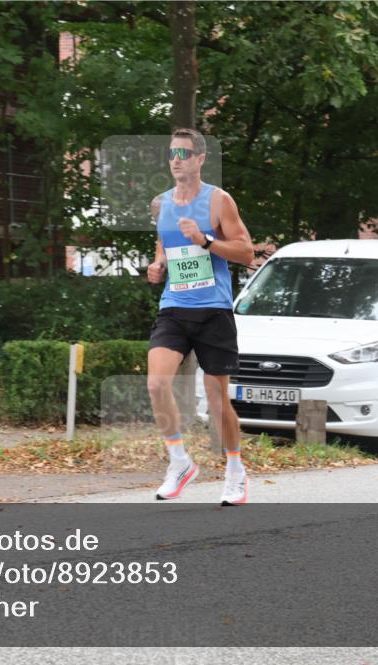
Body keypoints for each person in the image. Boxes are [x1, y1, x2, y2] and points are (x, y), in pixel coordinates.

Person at [146, 128, 254, 506]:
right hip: (174, 307)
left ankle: (235, 471)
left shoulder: (218, 201)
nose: (176, 159)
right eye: (172, 153)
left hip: (214, 310)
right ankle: (179, 462)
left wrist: (206, 242)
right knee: (157, 384)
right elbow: (163, 247)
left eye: (184, 153)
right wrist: (157, 265)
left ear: (200, 159)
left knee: (216, 396)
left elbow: (246, 251)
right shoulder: (161, 203)